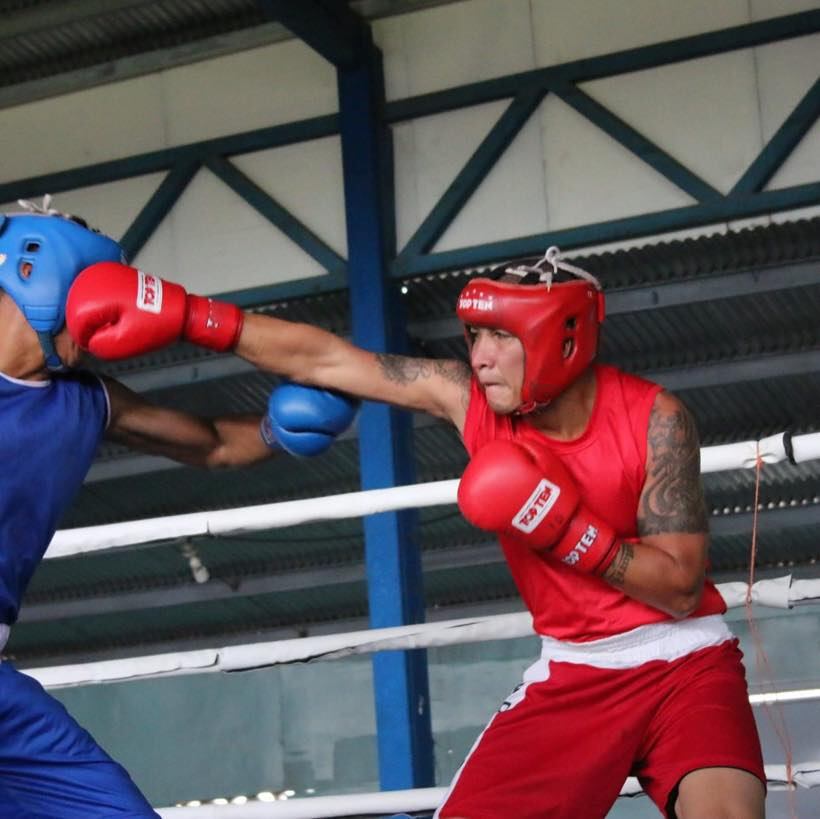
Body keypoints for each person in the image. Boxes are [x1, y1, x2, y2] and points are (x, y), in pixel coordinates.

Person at [66, 247, 767, 819]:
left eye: (502, 336)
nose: (482, 355)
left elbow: (678, 588)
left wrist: (563, 529)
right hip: (575, 670)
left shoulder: (655, 417)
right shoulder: (467, 398)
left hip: (685, 662)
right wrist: (191, 314)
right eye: (477, 335)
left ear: (561, 336)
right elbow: (327, 359)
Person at [0, 198, 356, 818]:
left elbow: (214, 444)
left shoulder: (89, 401)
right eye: (95, 287)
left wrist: (280, 428)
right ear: (39, 273)